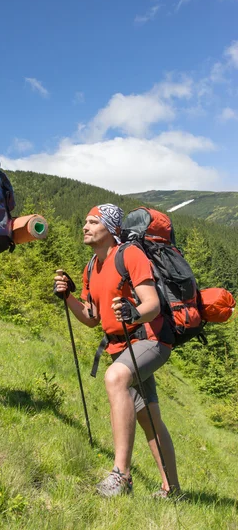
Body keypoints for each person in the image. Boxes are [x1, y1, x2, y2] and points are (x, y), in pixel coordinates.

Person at [54, 203, 181, 498]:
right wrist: (68, 297)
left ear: (110, 229)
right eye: (85, 222)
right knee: (148, 417)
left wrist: (133, 313)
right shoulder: (91, 267)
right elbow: (91, 318)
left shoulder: (129, 255)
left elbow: (151, 304)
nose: (85, 227)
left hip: (150, 340)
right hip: (119, 346)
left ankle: (121, 476)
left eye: (92, 222)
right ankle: (172, 490)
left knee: (115, 379)